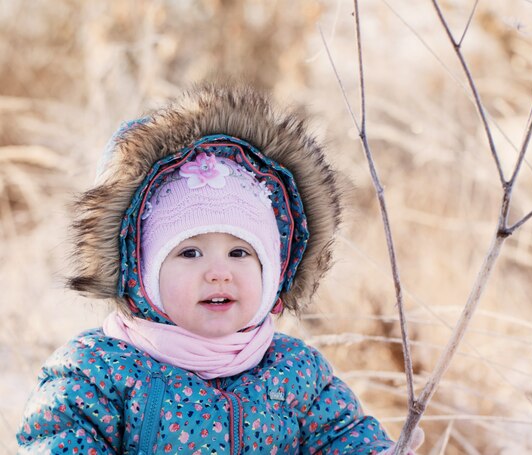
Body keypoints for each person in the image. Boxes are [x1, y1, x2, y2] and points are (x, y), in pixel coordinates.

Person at [16, 83, 423, 454]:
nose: (218, 273)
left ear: (273, 273)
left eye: (240, 254)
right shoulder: (99, 370)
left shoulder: (294, 370)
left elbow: (341, 436)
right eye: (190, 253)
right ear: (141, 273)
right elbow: (60, 439)